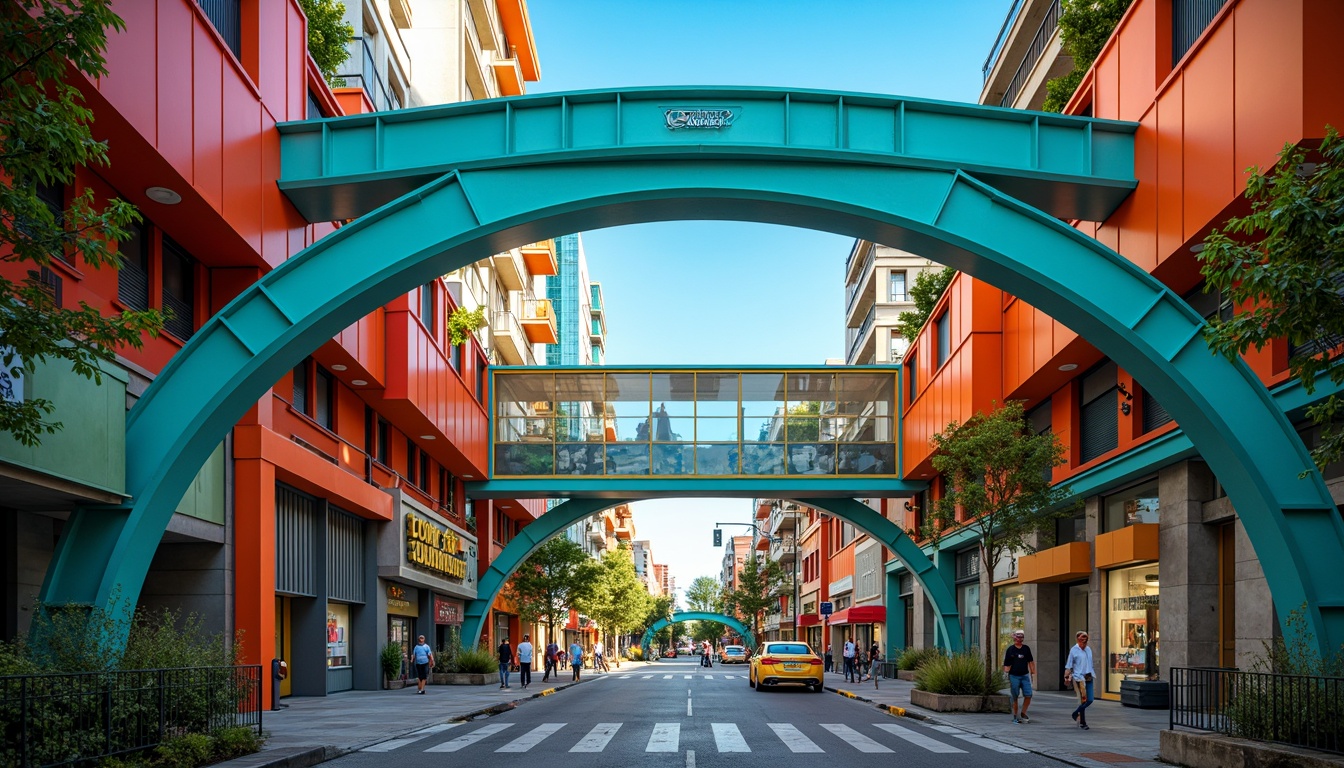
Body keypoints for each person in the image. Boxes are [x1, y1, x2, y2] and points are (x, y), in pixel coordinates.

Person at [1002, 629, 1037, 723]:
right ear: (1014, 637)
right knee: (1015, 696)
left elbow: (1030, 661)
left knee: (1028, 695)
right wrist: (1005, 673)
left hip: (1025, 675)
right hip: (1014, 676)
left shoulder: (1026, 648)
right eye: (1018, 636)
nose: (1019, 638)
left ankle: (1023, 712)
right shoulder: (1010, 649)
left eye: (1021, 636)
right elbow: (1007, 663)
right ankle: (1015, 716)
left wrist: (1033, 673)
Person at [1064, 630, 1095, 730]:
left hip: (1088, 676)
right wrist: (1066, 677)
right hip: (1079, 677)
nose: (1084, 641)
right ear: (1077, 639)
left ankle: (1075, 713)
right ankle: (1083, 722)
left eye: (1086, 638)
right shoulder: (1074, 650)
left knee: (1090, 700)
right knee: (1083, 700)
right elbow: (1069, 665)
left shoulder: (1089, 649)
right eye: (1082, 639)